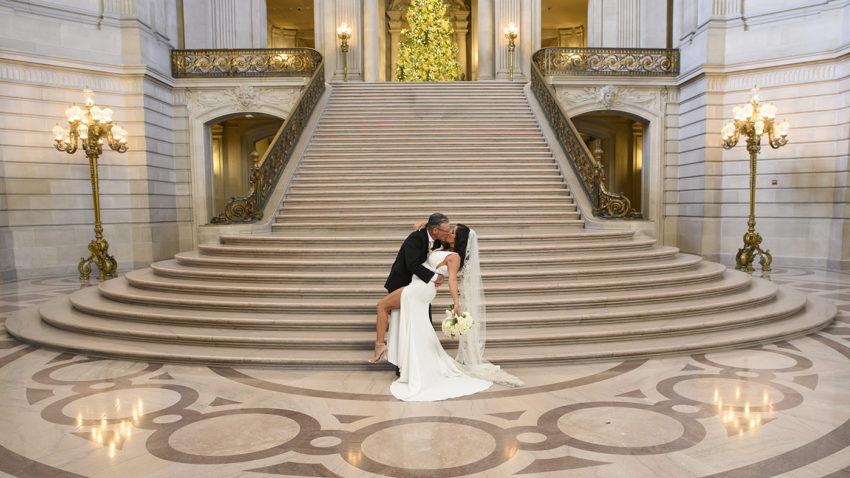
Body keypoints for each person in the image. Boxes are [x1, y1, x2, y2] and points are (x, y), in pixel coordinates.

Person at [376, 222, 524, 401]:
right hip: (418, 286)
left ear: (459, 240)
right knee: (418, 327)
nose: (449, 233)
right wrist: (426, 224)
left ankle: (384, 349)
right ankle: (414, 366)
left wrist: (456, 303)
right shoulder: (441, 247)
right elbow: (434, 234)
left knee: (383, 307)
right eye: (450, 230)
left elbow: (452, 280)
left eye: (453, 233)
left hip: (421, 289)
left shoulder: (455, 257)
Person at [369, 213, 451, 364]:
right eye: (447, 230)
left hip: (418, 285)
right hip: (402, 283)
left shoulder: (438, 241)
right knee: (402, 326)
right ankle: (402, 364)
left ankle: (423, 361)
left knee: (421, 323)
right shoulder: (416, 238)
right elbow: (411, 264)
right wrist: (435, 277)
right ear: (435, 230)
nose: (449, 233)